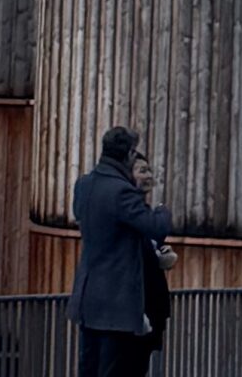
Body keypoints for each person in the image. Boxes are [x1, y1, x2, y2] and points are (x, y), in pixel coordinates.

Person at [70, 125, 172, 377]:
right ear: (127, 155)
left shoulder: (84, 184)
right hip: (117, 306)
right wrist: (162, 209)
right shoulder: (122, 191)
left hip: (88, 301)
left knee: (88, 370)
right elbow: (156, 228)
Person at [130, 147, 178, 375]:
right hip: (137, 309)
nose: (148, 176)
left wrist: (161, 254)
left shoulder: (143, 212)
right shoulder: (131, 213)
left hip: (152, 306)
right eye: (142, 170)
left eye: (149, 170)